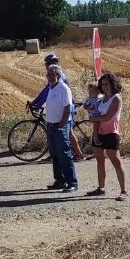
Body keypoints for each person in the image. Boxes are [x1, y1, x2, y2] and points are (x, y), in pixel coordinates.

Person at [28, 53, 85, 161]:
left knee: (67, 131)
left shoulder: (58, 76)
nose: (46, 66)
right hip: (62, 106)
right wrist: (35, 102)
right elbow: (45, 91)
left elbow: (45, 93)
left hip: (66, 107)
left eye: (47, 64)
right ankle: (54, 154)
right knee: (58, 132)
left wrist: (36, 104)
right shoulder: (54, 75)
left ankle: (78, 153)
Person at [82, 73, 127, 200]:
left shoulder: (116, 99)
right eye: (102, 84)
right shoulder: (102, 99)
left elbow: (108, 117)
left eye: (107, 84)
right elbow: (95, 111)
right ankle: (101, 188)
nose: (104, 86)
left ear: (113, 84)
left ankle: (123, 191)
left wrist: (94, 118)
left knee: (116, 161)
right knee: (100, 160)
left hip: (111, 133)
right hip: (99, 133)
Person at [42, 64, 78, 192]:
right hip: (51, 125)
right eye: (48, 75)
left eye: (52, 74)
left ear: (58, 75)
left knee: (64, 155)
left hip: (60, 126)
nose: (50, 77)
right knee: (55, 155)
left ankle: (72, 182)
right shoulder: (51, 88)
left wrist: (61, 126)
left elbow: (67, 109)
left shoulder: (63, 88)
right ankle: (60, 180)